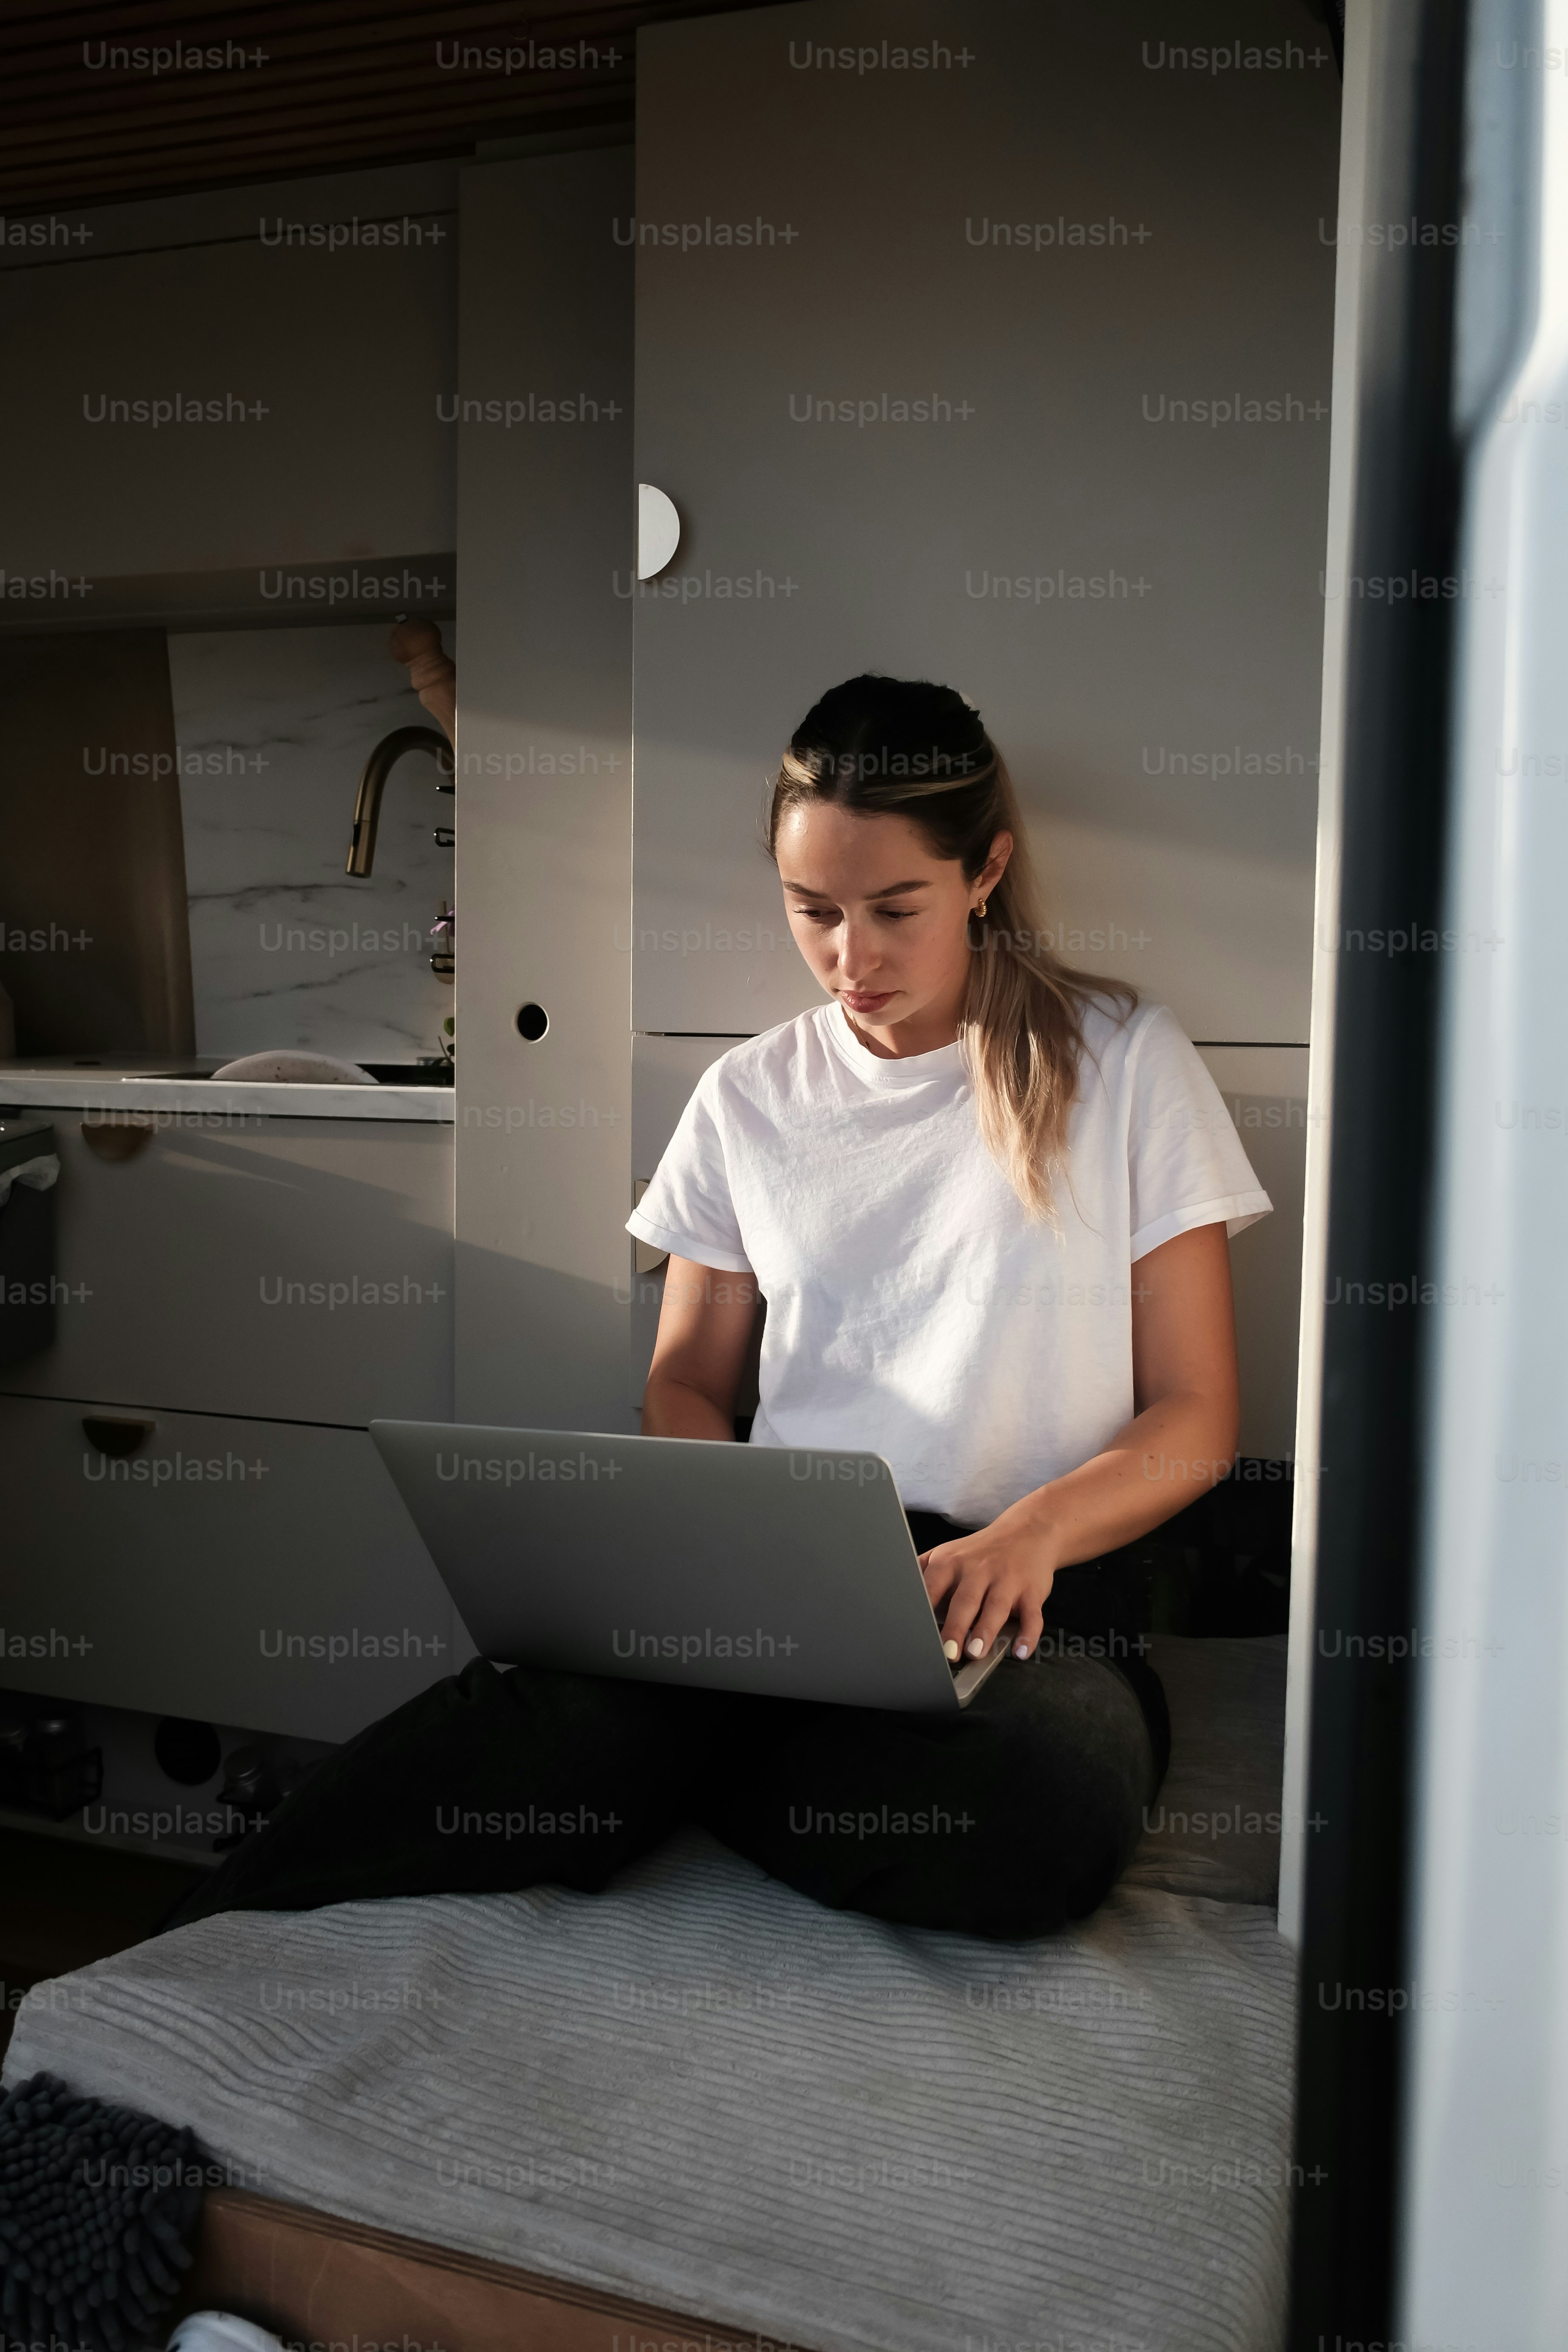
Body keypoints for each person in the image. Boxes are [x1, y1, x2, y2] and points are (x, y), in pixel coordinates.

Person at [170, 674, 1268, 1942]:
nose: (851, 956)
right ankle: (183, 1936)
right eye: (814, 912)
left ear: (986, 871)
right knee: (535, 1717)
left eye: (895, 908)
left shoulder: (1125, 1060)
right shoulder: (750, 1097)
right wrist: (747, 1566)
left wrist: (1026, 1536)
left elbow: (1198, 1413)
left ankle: (641, 1771)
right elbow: (688, 1383)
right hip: (789, 1583)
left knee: (1033, 1820)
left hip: (1040, 1598)